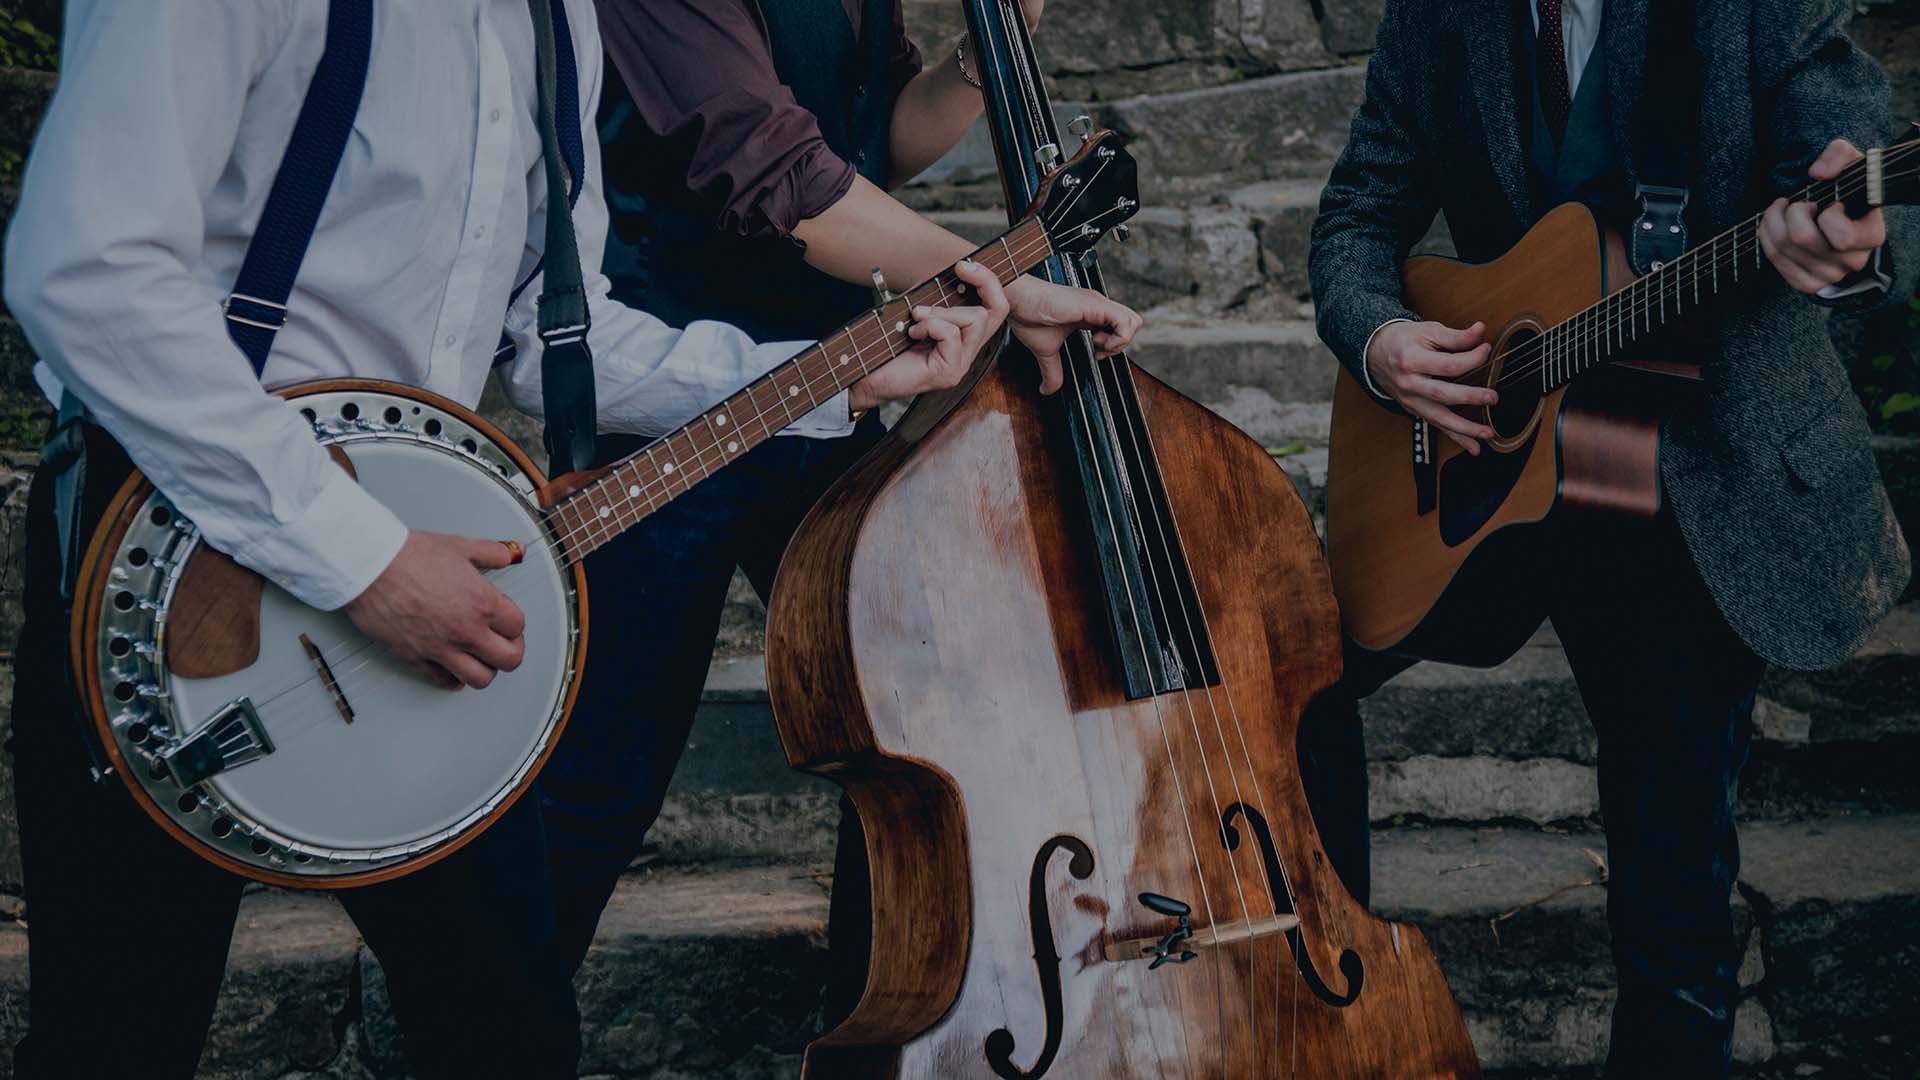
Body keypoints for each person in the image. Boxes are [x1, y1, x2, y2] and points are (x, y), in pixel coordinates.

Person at [0, 2, 1130, 1076]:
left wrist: (831, 380)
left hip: (422, 554)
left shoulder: (554, 20)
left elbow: (562, 341)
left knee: (509, 1034)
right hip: (174, 546)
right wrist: (368, 561)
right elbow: (84, 271)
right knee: (116, 1038)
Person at [1309, 0, 1914, 1074]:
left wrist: (1846, 227)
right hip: (1487, 467)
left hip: (1696, 474)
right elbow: (1361, 206)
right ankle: (1323, 1001)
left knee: (1672, 914)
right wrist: (1382, 338)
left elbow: (1844, 144)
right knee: (1289, 678)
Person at [542, 0, 1140, 1020]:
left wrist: (969, 58)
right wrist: (999, 281)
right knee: (595, 787)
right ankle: (490, 1019)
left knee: (923, 736)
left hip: (834, 389)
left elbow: (872, 149)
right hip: (670, 405)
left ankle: (894, 1021)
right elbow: (778, 176)